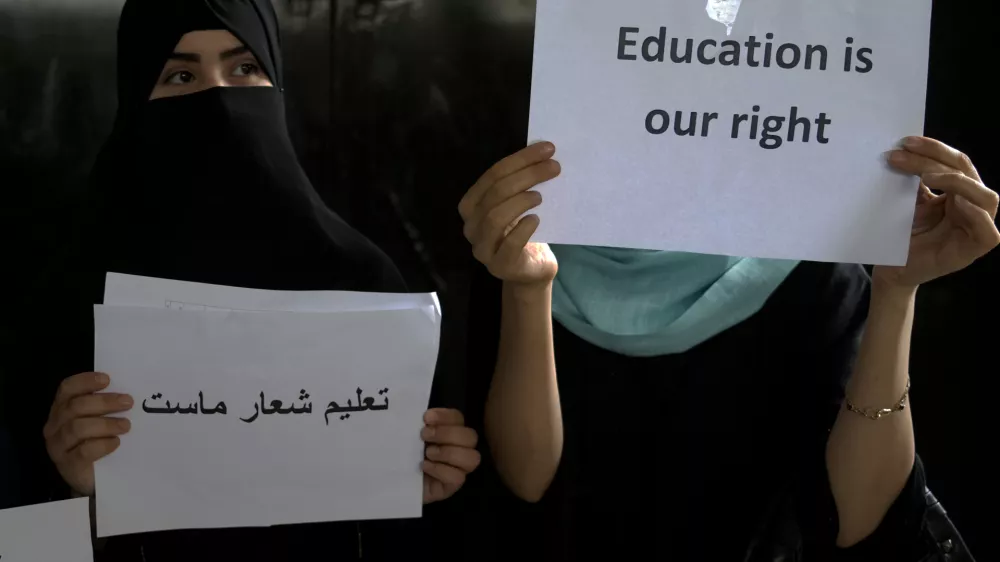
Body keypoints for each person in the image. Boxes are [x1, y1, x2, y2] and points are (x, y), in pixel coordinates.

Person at [36, 1, 479, 560]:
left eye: (244, 69)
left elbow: (402, 531)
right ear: (135, 96)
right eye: (180, 75)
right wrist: (77, 492)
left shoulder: (362, 284)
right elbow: (28, 534)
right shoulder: (67, 296)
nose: (220, 98)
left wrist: (422, 493)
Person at [460, 139, 997, 560]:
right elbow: (526, 488)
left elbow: (858, 524)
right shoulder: (518, 235)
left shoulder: (811, 267)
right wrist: (527, 290)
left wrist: (896, 290)